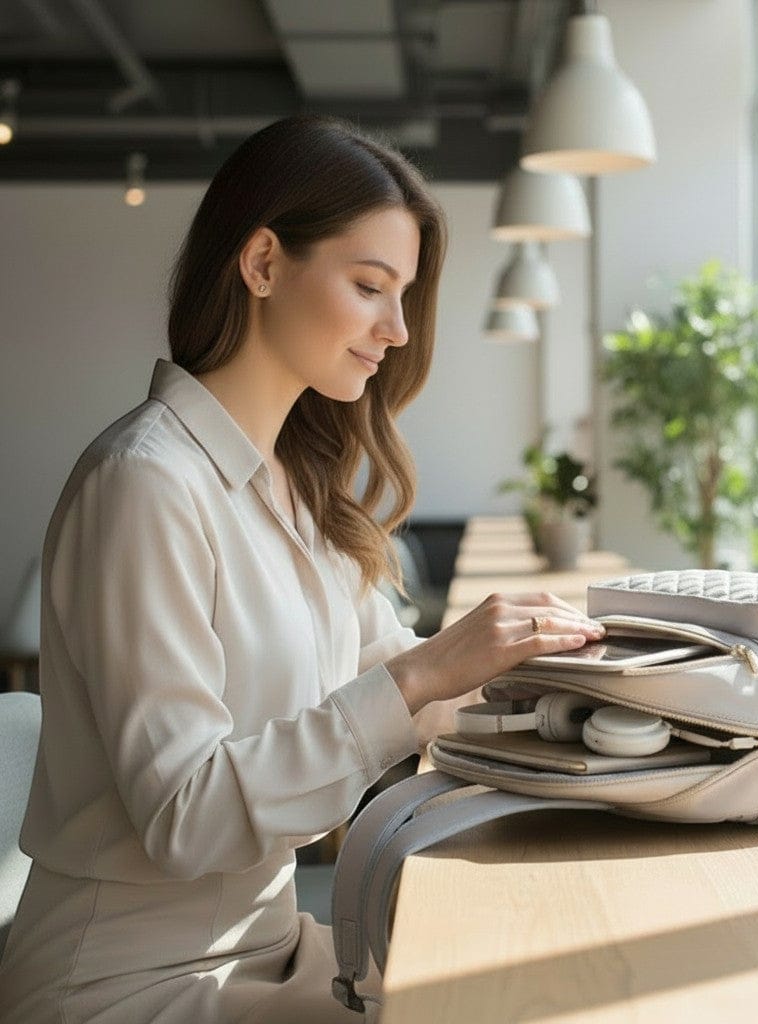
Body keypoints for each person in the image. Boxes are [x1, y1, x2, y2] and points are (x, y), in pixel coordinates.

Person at [0, 114, 607, 1024]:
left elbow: (398, 691)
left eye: (403, 295)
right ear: (263, 264)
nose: (398, 328)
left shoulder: (301, 491)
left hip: (273, 949)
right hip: (127, 985)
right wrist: (423, 672)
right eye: (370, 287)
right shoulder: (145, 485)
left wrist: (569, 685)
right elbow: (185, 816)